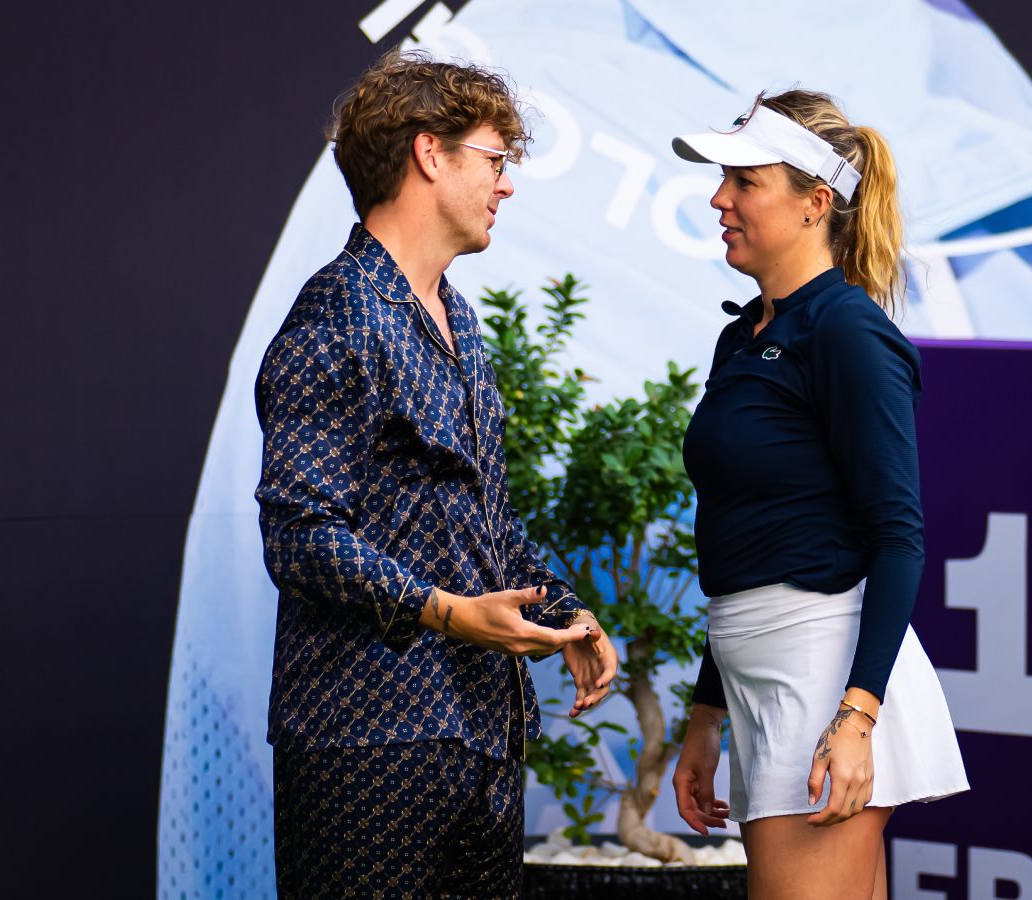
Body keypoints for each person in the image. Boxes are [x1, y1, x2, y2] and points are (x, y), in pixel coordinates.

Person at [253, 50, 618, 899]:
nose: (507, 184)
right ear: (429, 154)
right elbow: (300, 536)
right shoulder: (337, 313)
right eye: (494, 159)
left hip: (480, 736)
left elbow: (482, 519)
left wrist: (565, 614)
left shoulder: (456, 315)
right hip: (365, 742)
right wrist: (448, 613)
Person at [669, 91, 969, 900]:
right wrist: (706, 716)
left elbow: (898, 536)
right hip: (766, 680)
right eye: (723, 179)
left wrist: (857, 717)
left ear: (815, 203)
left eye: (745, 181)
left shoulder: (848, 331)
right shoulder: (743, 336)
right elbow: (745, 535)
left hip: (825, 687)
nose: (719, 199)